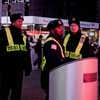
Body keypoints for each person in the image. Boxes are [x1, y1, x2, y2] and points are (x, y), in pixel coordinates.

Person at [0, 13, 32, 100]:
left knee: (17, 92)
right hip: (6, 69)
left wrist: (28, 66)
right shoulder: (3, 33)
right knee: (4, 92)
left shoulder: (23, 36)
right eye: (19, 21)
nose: (21, 23)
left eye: (22, 21)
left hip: (18, 70)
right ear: (13, 22)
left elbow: (26, 52)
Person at [41, 19, 65, 100]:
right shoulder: (51, 42)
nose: (61, 29)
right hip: (51, 76)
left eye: (62, 27)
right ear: (52, 30)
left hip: (53, 75)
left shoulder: (58, 40)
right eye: (58, 28)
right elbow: (54, 61)